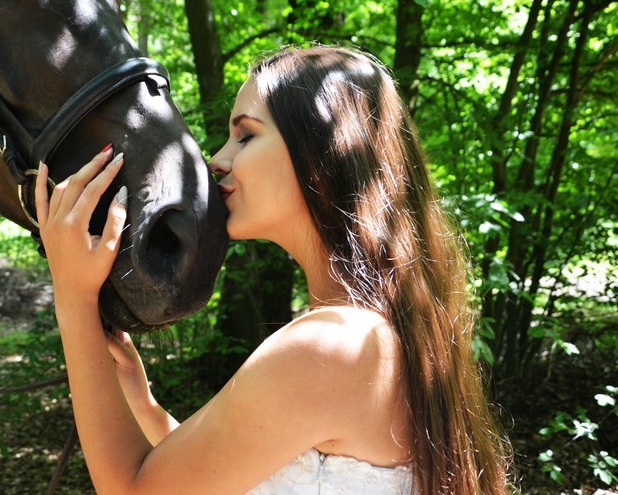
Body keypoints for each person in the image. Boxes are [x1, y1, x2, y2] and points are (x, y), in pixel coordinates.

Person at [35, 45, 511, 494]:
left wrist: (74, 297)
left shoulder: (329, 347)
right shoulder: (375, 335)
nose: (217, 160)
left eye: (246, 135)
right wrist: (144, 405)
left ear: (322, 152)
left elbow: (133, 490)